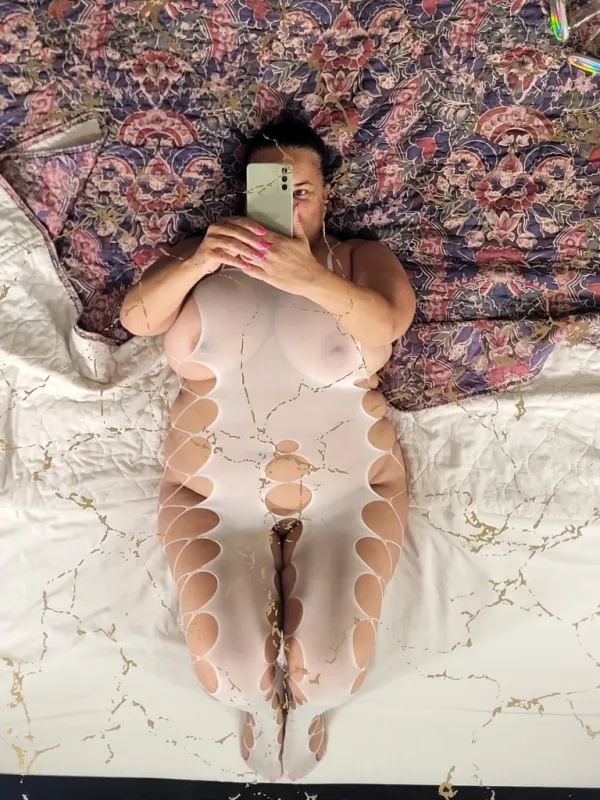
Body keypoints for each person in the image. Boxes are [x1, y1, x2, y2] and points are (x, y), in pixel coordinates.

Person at [120, 117, 416, 781]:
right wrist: (201, 260)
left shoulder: (357, 258)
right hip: (212, 498)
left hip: (351, 493)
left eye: (299, 190)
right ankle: (257, 706)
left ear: (326, 195)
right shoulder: (203, 255)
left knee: (332, 673)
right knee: (228, 676)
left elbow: (389, 322)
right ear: (248, 194)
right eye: (269, 188)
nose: (287, 202)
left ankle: (311, 709)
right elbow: (136, 319)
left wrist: (306, 275)